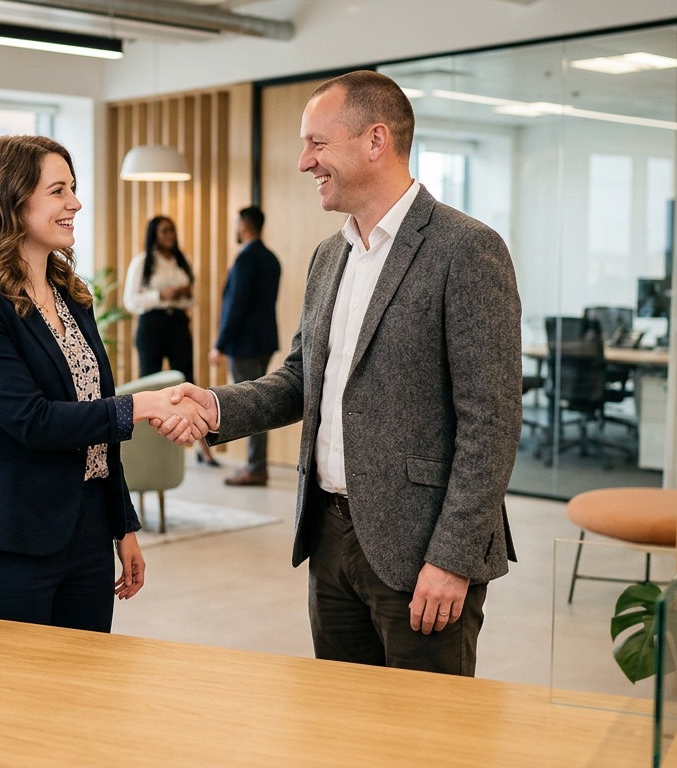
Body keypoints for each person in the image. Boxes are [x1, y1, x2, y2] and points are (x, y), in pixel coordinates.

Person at [161, 71, 521, 676]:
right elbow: (303, 378)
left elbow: (492, 422)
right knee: (341, 732)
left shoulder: (467, 250)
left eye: (317, 144)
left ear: (375, 140)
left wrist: (453, 559)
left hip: (421, 550)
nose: (305, 162)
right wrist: (215, 406)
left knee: (421, 737)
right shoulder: (332, 254)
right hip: (328, 537)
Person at [0, 135, 207, 632]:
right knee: (12, 703)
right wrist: (142, 405)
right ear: (11, 201)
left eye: (73, 189)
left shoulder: (70, 295)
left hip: (85, 533)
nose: (75, 203)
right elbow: (33, 421)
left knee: (84, 699)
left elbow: (95, 424)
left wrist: (121, 525)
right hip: (8, 540)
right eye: (59, 191)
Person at [123, 215, 218, 465]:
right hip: (151, 325)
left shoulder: (181, 261)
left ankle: (203, 448)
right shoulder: (142, 262)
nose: (170, 236)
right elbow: (131, 301)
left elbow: (192, 301)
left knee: (188, 382)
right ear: (154, 234)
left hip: (178, 323)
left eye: (172, 231)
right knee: (149, 381)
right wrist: (160, 294)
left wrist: (182, 294)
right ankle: (148, 451)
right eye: (165, 231)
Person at [209, 205, 281, 487]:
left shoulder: (245, 260)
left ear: (244, 226)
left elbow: (235, 307)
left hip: (244, 344)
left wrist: (220, 345)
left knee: (252, 406)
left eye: (237, 224)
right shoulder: (271, 258)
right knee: (259, 403)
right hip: (265, 341)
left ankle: (255, 467)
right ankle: (257, 464)